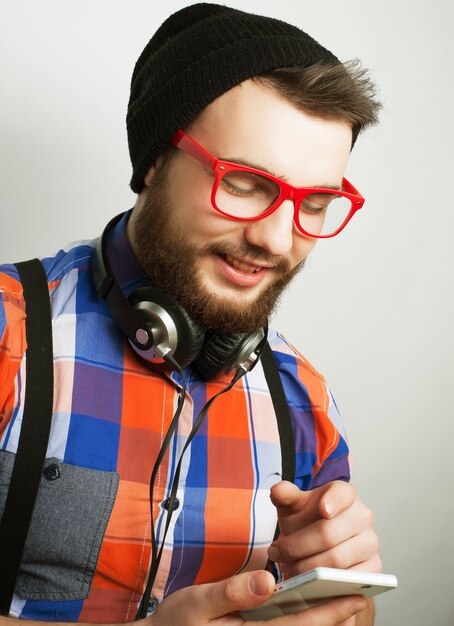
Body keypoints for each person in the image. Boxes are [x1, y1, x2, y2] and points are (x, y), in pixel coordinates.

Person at [0, 3, 382, 625]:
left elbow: (348, 616)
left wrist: (347, 601)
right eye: (243, 183)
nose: (278, 241)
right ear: (154, 161)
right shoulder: (7, 332)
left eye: (314, 201)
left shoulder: (303, 401)